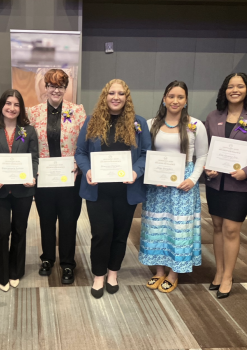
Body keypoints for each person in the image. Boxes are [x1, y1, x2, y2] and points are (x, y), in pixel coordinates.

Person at [75, 79, 151, 299]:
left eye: (120, 93)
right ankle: (98, 274)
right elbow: (80, 152)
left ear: (126, 97)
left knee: (120, 234)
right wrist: (87, 169)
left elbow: (146, 153)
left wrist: (136, 171)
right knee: (100, 234)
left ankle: (112, 273)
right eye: (111, 93)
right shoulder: (91, 121)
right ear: (104, 96)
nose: (115, 97)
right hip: (97, 190)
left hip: (126, 190)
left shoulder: (139, 123)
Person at [204, 73, 247, 299]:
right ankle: (219, 271)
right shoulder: (214, 116)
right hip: (216, 183)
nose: (234, 90)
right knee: (216, 226)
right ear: (224, 90)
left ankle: (228, 277)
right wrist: (208, 167)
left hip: (242, 185)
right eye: (230, 86)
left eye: (240, 86)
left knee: (231, 229)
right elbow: (205, 150)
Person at [139, 81, 208, 293]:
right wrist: (150, 175)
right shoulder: (151, 123)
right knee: (156, 225)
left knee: (177, 227)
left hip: (183, 183)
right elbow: (145, 152)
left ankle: (174, 272)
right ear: (164, 98)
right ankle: (159, 271)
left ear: (186, 100)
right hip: (157, 184)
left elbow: (203, 155)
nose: (175, 101)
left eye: (180, 97)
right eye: (171, 96)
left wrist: (193, 179)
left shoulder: (195, 125)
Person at [27, 69, 87, 284]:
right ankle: (47, 258)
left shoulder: (77, 111)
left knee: (69, 221)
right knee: (46, 220)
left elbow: (84, 144)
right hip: (44, 178)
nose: (56, 90)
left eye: (60, 86)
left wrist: (79, 164)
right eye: (51, 86)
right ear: (45, 87)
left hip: (70, 177)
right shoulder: (33, 113)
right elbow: (29, 146)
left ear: (65, 88)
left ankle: (68, 263)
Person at [0, 89, 38, 292]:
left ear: (20, 108)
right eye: (8, 103)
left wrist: (33, 176)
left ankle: (16, 271)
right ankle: (2, 274)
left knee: (20, 231)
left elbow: (34, 158)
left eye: (16, 104)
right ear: (1, 105)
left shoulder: (28, 130)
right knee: (2, 232)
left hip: (23, 191)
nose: (12, 108)